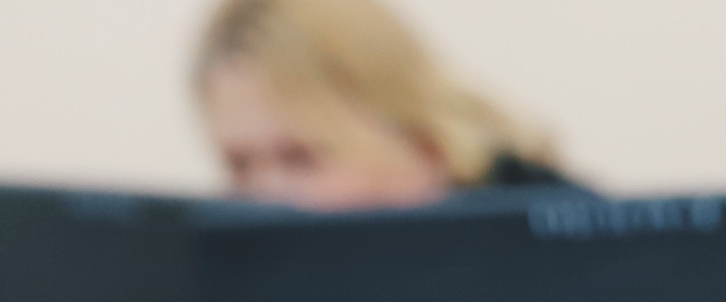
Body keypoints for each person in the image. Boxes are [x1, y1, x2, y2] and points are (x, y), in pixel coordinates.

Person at [193, 0, 569, 210]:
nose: (263, 198)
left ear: (425, 145)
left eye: (301, 158)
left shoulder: (577, 265)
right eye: (239, 166)